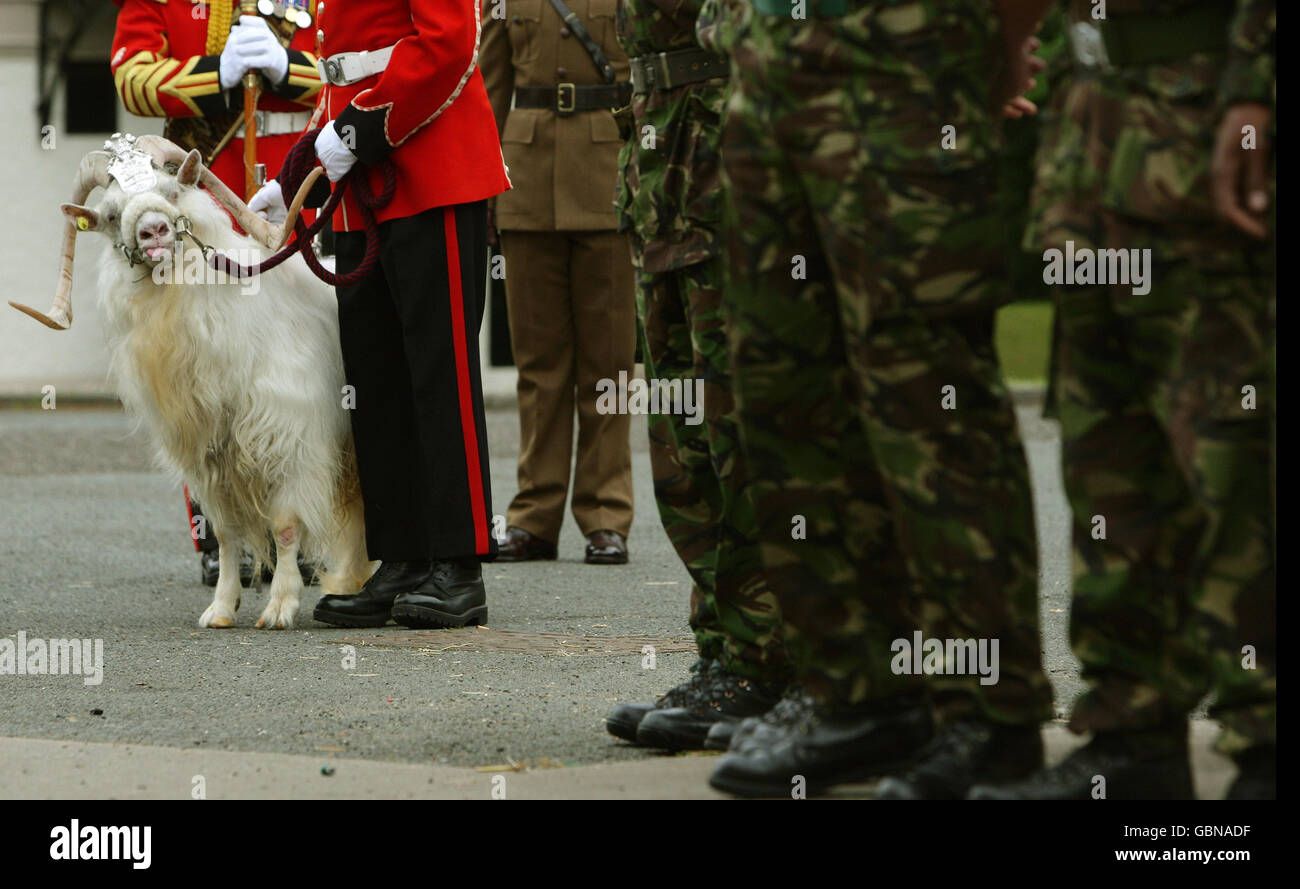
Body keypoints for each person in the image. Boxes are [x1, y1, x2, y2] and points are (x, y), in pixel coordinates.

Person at [705, 0, 1056, 798]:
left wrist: (1000, 38)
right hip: (771, 67)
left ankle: (993, 712)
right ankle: (860, 694)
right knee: (786, 392)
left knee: (929, 396)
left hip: (908, 63)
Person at [971, 0, 1276, 801]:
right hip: (1091, 150)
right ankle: (1133, 731)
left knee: (1232, 458)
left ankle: (1267, 735)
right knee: (1108, 456)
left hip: (1207, 129)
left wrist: (1257, 96)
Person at [259, 0, 511, 629]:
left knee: (439, 372)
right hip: (362, 183)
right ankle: (401, 556)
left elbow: (448, 43)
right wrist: (297, 176)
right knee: (374, 382)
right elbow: (339, 75)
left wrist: (358, 133)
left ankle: (458, 564)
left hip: (431, 168)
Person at [602, 0, 791, 752]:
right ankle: (724, 646)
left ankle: (769, 655)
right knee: (681, 434)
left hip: (719, 157)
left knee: (733, 424)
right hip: (661, 162)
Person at [111, 0, 322, 587]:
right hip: (209, 198)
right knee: (205, 368)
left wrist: (291, 66)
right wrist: (217, 73)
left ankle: (298, 521)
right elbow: (132, 76)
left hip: (301, 180)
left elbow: (353, 66)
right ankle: (218, 528)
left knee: (300, 367)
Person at [479, 0, 637, 565]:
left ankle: (605, 514)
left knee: (609, 363)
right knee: (538, 365)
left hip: (609, 180)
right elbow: (491, 87)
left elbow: (644, 79)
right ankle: (534, 517)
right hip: (525, 182)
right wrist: (487, 188)